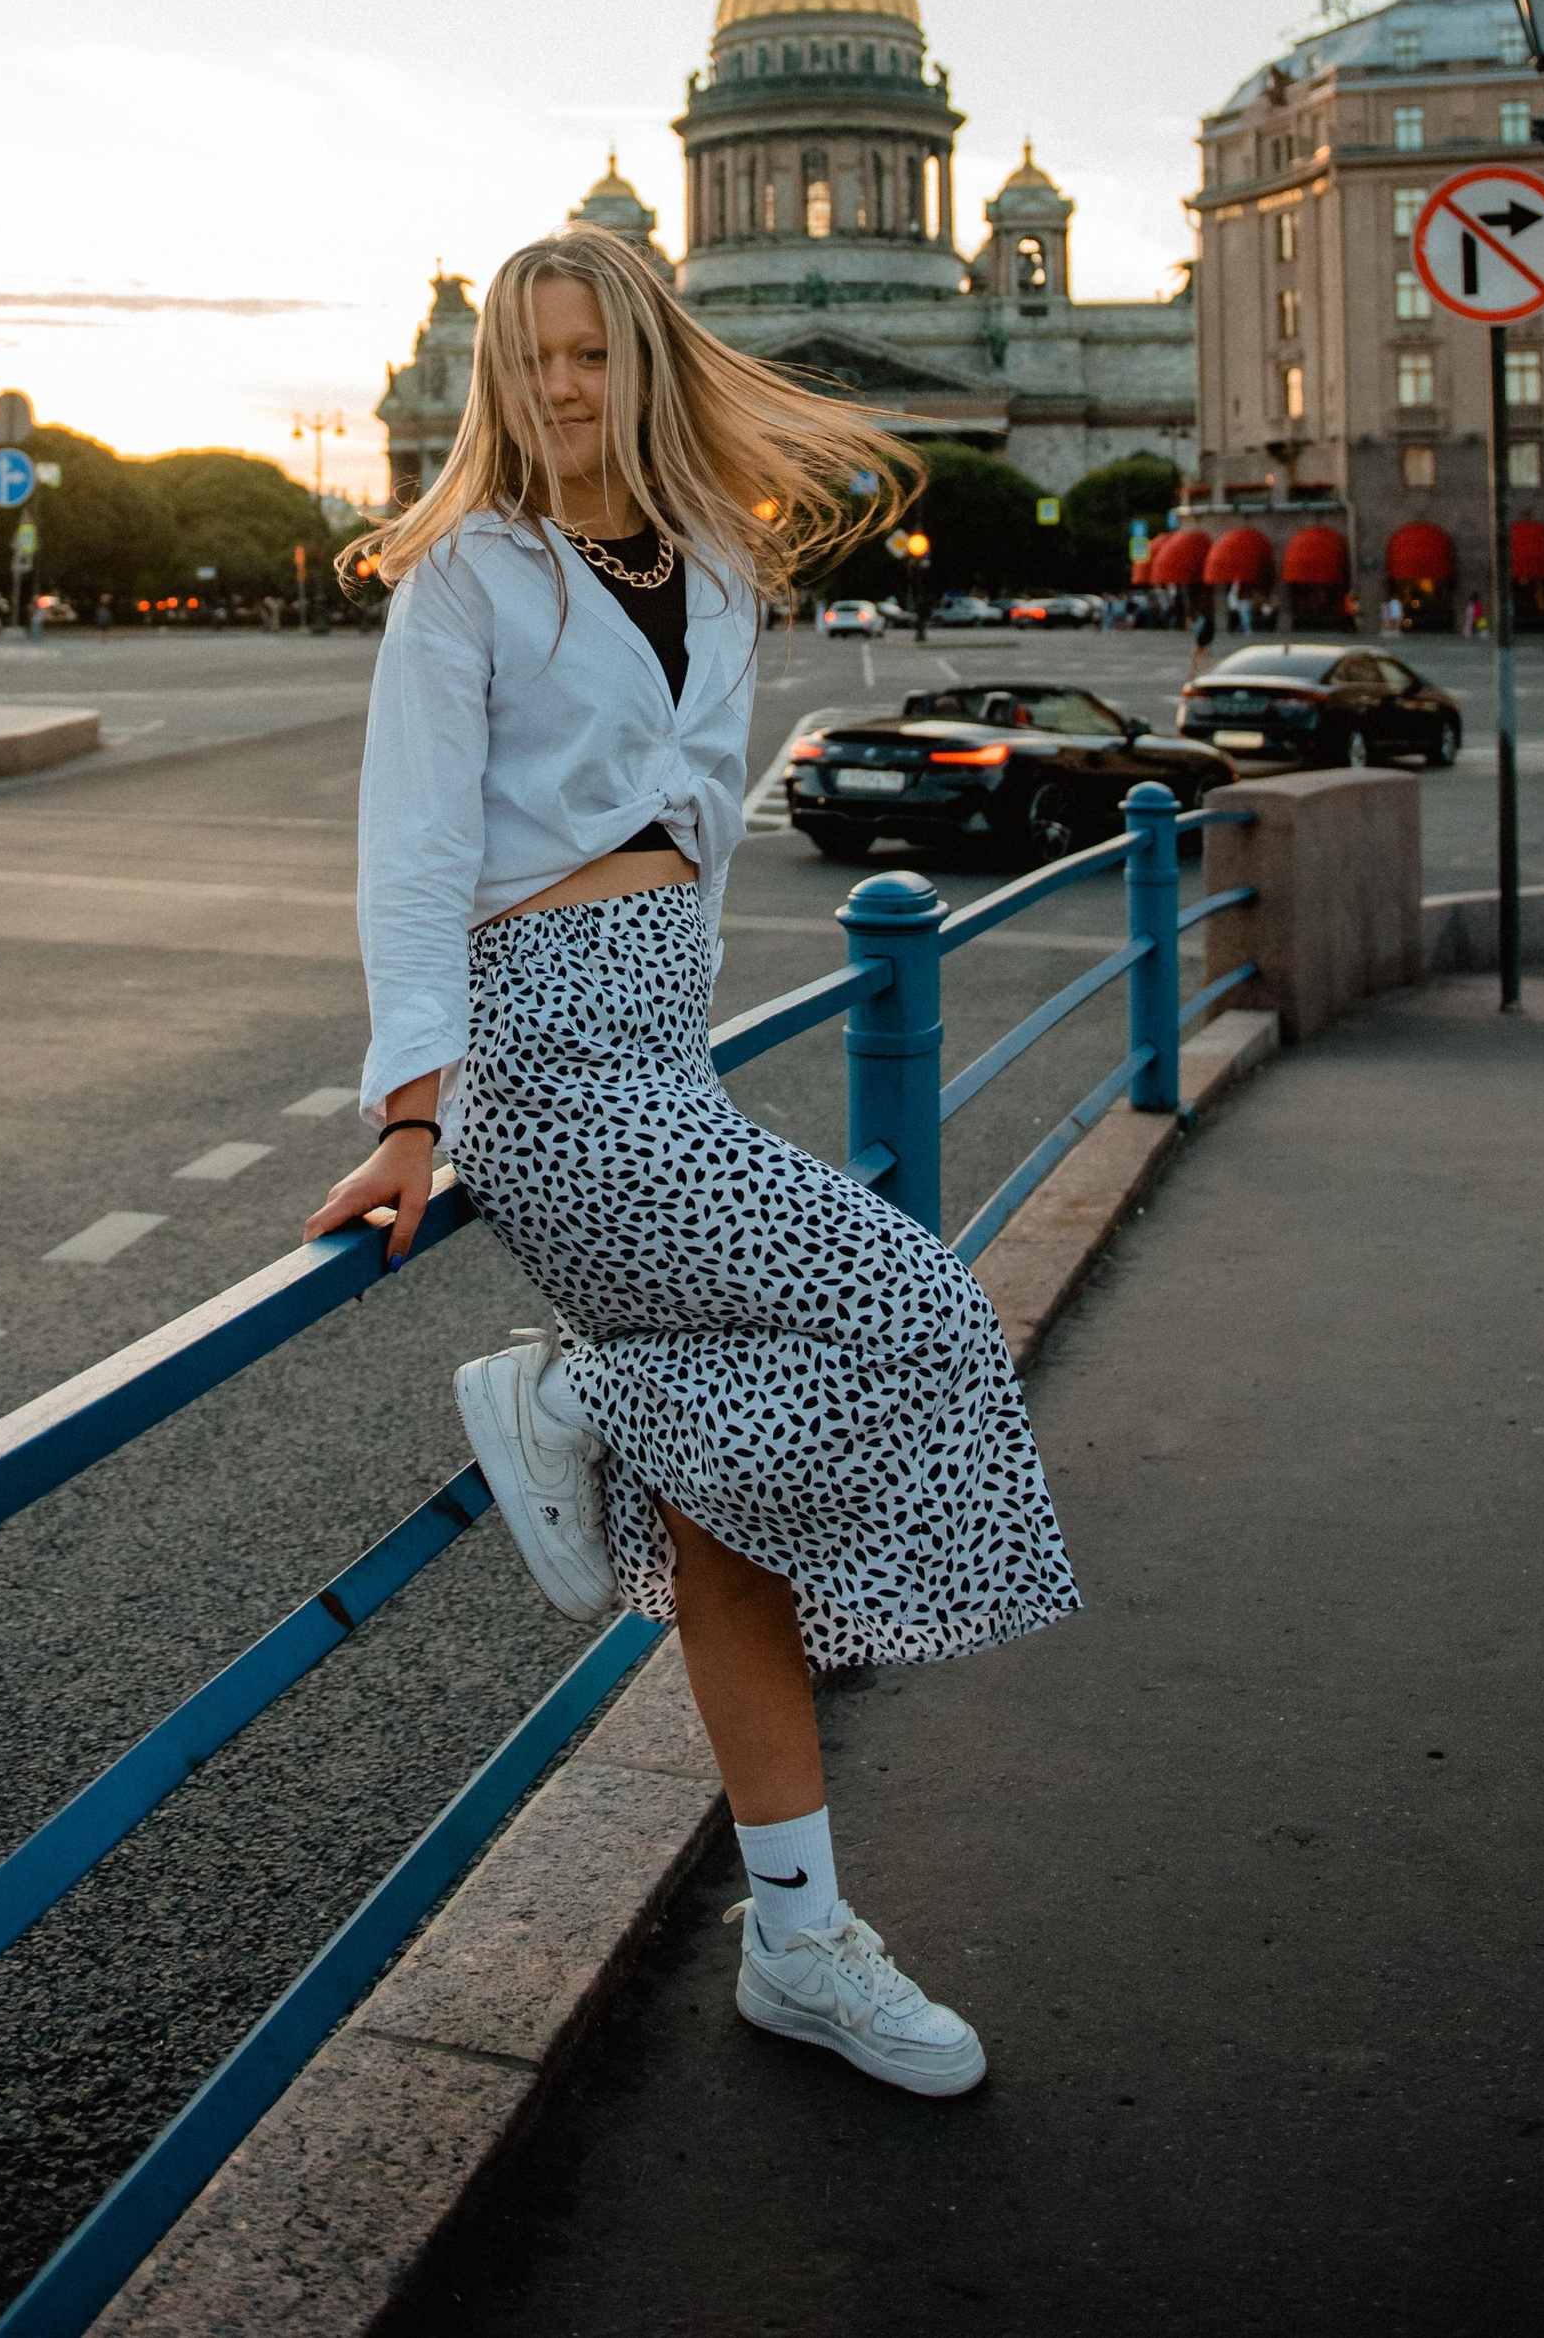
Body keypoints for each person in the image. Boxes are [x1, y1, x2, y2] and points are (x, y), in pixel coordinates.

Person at [306, 233, 1076, 2101]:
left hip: (654, 1047)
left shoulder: (717, 561)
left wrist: (678, 1007)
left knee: (730, 1510)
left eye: (593, 352)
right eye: (537, 358)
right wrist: (416, 1114)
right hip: (548, 1068)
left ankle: (799, 1936)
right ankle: (576, 1397)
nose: (566, 386)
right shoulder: (466, 576)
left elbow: (700, 830)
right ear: (501, 375)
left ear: (649, 355)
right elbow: (411, 858)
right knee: (922, 1306)